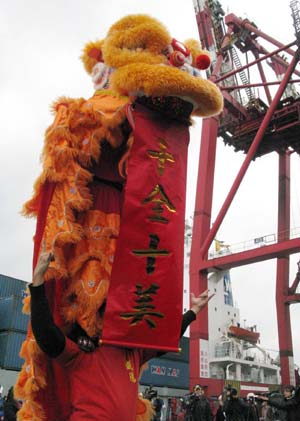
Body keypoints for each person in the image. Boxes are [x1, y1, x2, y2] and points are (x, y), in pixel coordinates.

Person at [30, 251, 214, 420]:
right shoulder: (82, 353)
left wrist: (193, 311)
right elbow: (46, 334)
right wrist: (38, 282)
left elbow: (166, 338)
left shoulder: (134, 353)